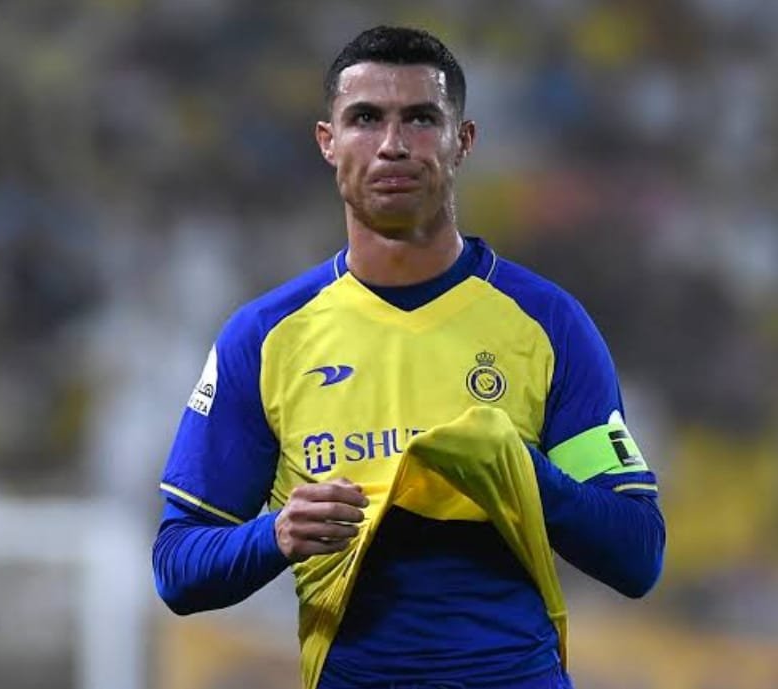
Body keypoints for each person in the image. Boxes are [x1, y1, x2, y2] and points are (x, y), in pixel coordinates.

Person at [152, 25, 666, 689]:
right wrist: (275, 533)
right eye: (366, 118)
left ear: (463, 141)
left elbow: (638, 554)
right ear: (328, 141)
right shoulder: (265, 337)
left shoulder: (548, 323)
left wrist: (525, 476)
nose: (392, 144)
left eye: (421, 118)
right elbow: (178, 565)